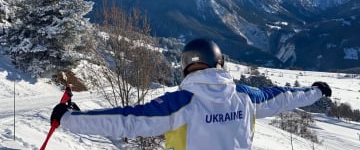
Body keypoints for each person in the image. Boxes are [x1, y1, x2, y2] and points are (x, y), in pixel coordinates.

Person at [50, 38, 332, 150]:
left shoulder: (181, 103)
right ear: (219, 62)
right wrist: (316, 91)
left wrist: (69, 118)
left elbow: (127, 120)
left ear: (185, 68)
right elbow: (284, 97)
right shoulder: (246, 96)